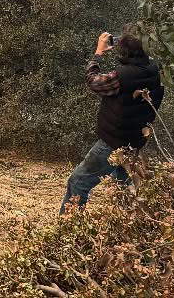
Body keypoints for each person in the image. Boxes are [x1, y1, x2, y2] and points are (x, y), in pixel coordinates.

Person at [60, 29, 165, 212]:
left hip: (113, 142)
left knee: (78, 182)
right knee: (125, 189)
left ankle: (67, 230)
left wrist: (98, 54)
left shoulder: (123, 76)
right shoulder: (154, 70)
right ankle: (133, 228)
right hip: (135, 141)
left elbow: (94, 81)